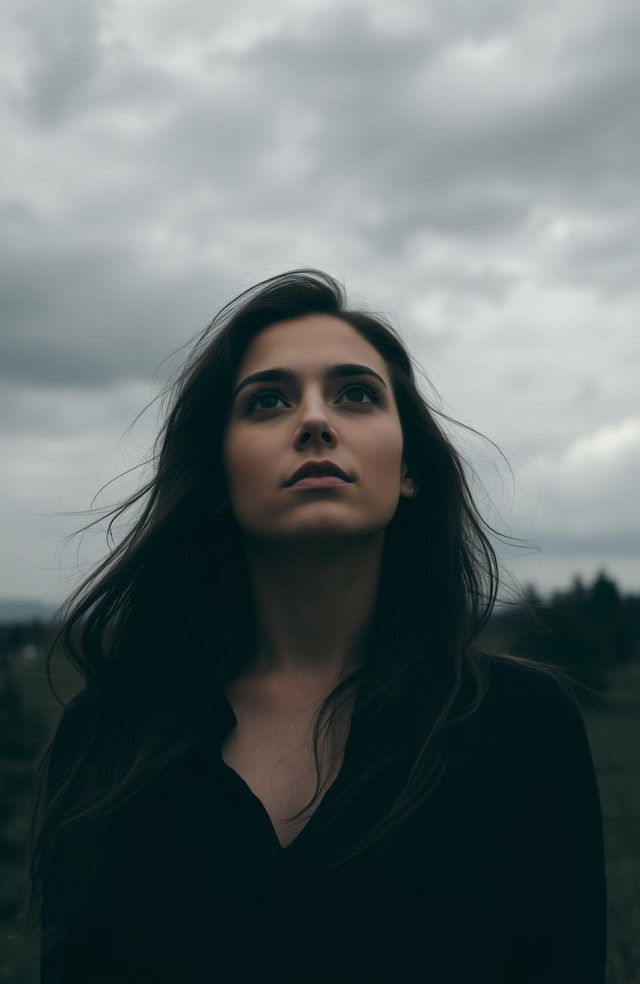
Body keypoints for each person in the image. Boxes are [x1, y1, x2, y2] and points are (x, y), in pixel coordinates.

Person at [23, 269, 606, 982]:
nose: (314, 421)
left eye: (356, 393)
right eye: (267, 401)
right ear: (215, 480)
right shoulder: (109, 736)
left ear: (410, 470)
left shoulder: (523, 725)